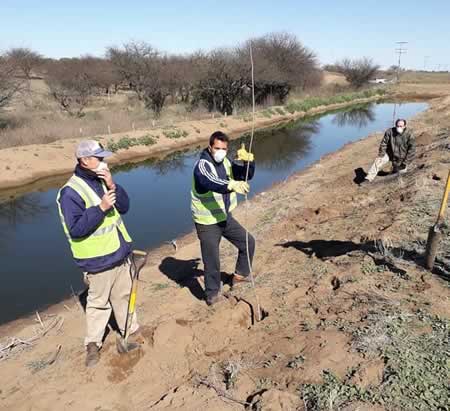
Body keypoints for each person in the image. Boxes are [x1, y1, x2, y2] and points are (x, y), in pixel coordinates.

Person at [56, 140, 139, 367]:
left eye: (103, 157)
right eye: (99, 158)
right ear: (85, 161)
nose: (104, 161)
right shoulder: (70, 192)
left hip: (119, 254)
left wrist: (112, 184)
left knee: (123, 297)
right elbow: (76, 229)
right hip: (97, 261)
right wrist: (100, 208)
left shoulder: (102, 180)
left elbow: (125, 207)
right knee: (98, 304)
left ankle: (130, 333)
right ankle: (93, 345)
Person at [191, 131, 256, 306]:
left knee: (248, 242)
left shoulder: (226, 162)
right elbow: (211, 181)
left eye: (224, 148)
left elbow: (245, 175)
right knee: (212, 259)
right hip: (207, 223)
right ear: (210, 147)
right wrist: (232, 185)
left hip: (224, 217)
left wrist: (249, 162)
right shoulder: (202, 165)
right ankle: (212, 294)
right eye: (217, 148)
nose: (220, 151)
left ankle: (239, 276)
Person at [363, 118, 416, 183]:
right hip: (390, 153)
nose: (399, 127)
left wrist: (405, 163)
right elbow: (384, 143)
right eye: (397, 126)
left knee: (401, 173)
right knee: (378, 160)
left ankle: (395, 169)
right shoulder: (389, 131)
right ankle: (368, 178)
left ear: (404, 126)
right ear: (395, 125)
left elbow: (412, 150)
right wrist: (381, 154)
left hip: (402, 157)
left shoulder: (409, 134)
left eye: (401, 126)